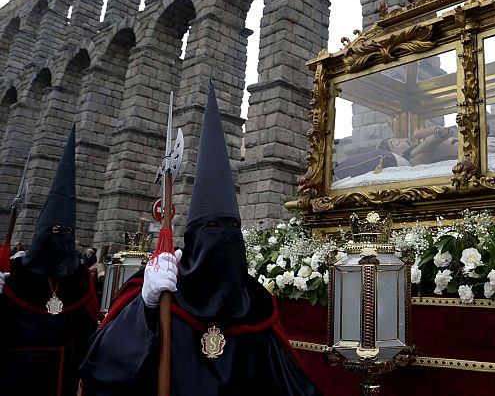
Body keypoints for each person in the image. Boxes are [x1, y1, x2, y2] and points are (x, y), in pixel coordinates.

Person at [81, 81, 322, 396]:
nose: (221, 239)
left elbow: (288, 384)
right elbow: (104, 362)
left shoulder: (256, 305)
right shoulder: (160, 286)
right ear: (193, 237)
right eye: (211, 227)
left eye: (231, 230)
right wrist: (145, 308)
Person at [0, 126, 99, 395]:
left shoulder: (80, 279)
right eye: (55, 231)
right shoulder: (15, 274)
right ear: (43, 233)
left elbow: (88, 331)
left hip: (64, 374)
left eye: (67, 233)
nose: (61, 237)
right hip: (17, 371)